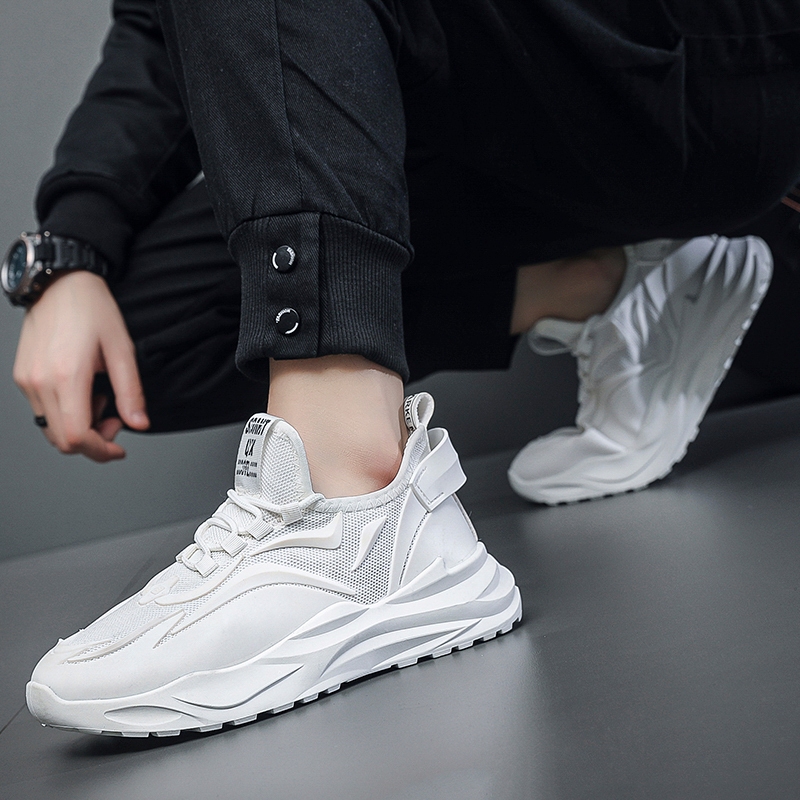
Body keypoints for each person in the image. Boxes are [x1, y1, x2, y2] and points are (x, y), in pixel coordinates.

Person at [6, 0, 800, 736]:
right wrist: (73, 247)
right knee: (132, 344)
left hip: (697, 63)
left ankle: (352, 494)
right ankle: (606, 287)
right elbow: (164, 26)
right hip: (470, 105)